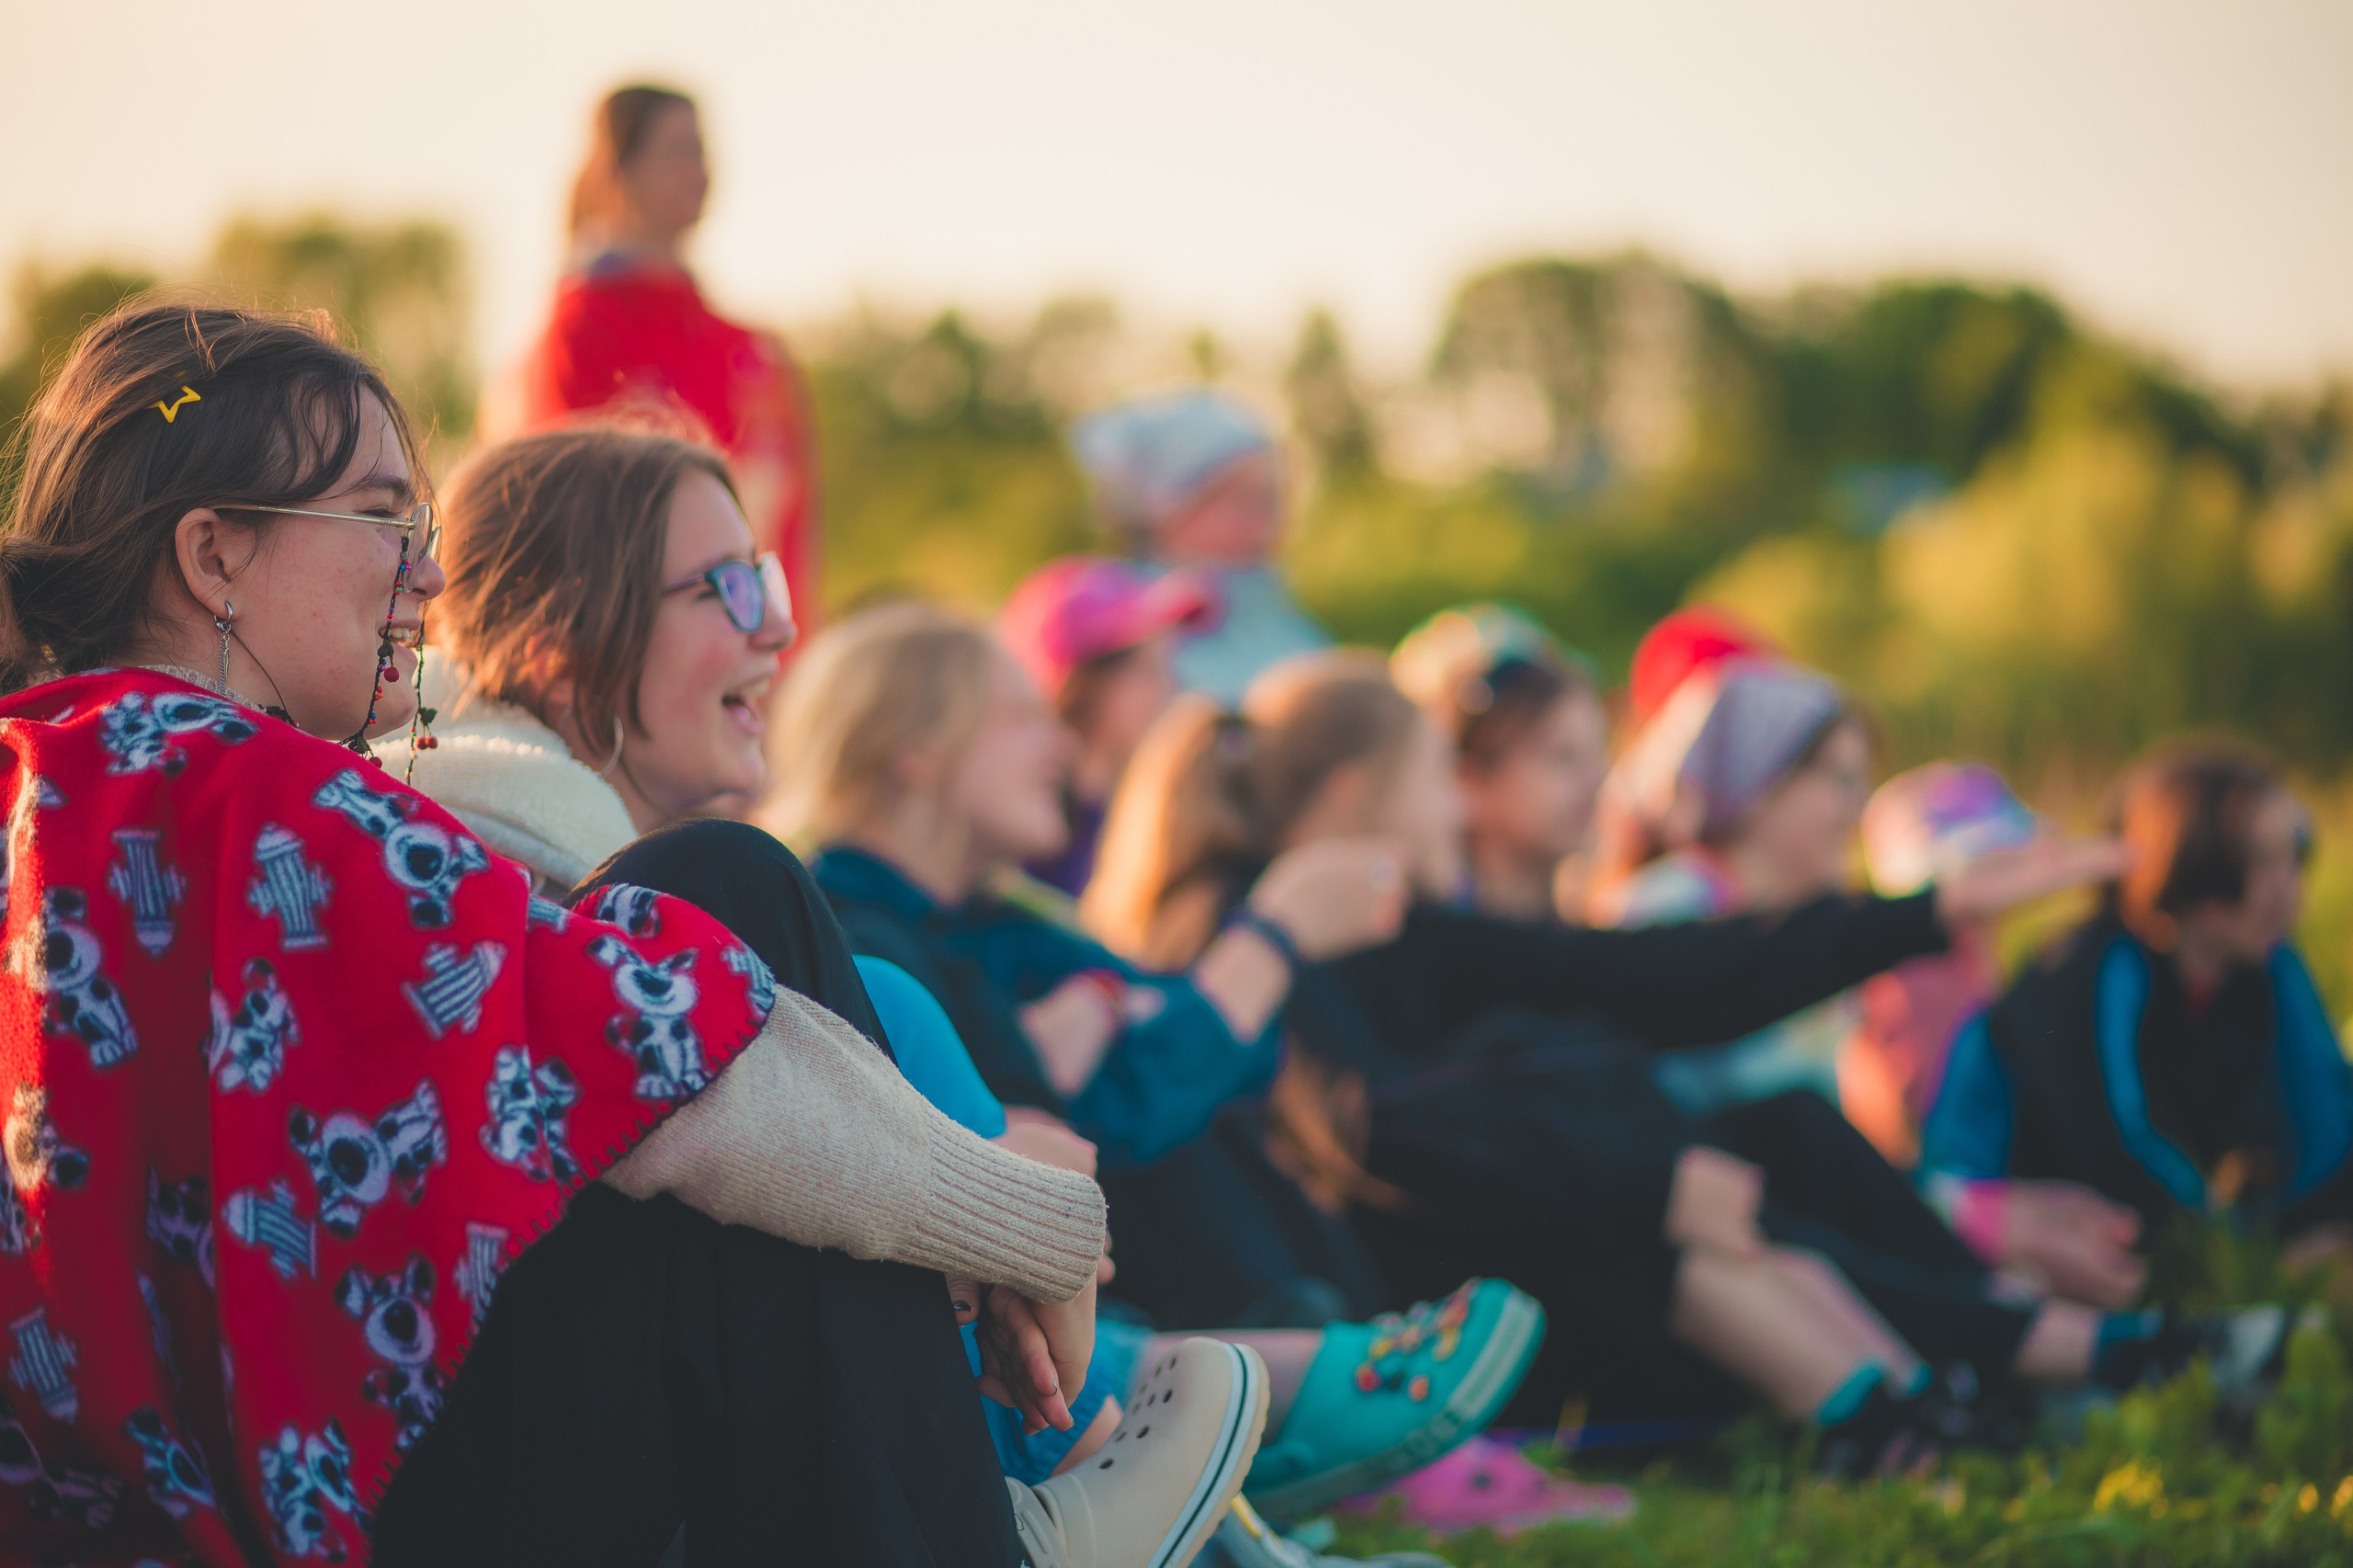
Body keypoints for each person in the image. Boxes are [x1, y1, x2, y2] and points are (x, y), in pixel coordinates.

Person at [0, 301, 1276, 1568]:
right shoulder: (246, 791)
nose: (428, 573)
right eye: (385, 518)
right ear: (214, 555)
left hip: (161, 1502)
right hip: (335, 1514)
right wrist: (1025, 1219)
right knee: (726, 887)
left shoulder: (57, 775)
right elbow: (664, 1062)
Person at [380, 424, 1479, 1556]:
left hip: (697, 1430)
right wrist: (1010, 1194)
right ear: (566, 636)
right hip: (523, 1478)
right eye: (723, 587)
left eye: (764, 577)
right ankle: (1116, 1482)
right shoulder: (477, 881)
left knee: (831, 977)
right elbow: (1126, 1113)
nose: (777, 620)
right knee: (804, 946)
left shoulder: (989, 916)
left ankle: (1167, 1495)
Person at [1082, 653, 2288, 1468]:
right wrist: (1646, 1180)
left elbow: (1654, 978)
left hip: (1503, 1252)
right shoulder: (1261, 935)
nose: (1447, 811)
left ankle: (1995, 1379)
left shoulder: (1380, 920)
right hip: (1408, 1311)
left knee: (1769, 1142)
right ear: (1356, 794)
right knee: (1666, 1214)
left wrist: (1921, 912)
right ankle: (1971, 1401)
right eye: (1428, 783)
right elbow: (1374, 1133)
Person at [761, 604, 1598, 1528]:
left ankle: (1290, 1399)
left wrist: (1109, 1014)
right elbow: (1086, 1128)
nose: (1056, 739)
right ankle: (1294, 1390)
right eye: (1018, 715)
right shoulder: (845, 927)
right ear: (911, 748)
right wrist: (1273, 932)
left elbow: (1215, 1065)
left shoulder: (1002, 920)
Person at [1921, 744, 2353, 1280]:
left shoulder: (2264, 962)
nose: (2287, 888)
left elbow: (2323, 1107)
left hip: (2136, 1223)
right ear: (2195, 869)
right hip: (2001, 1210)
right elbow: (2114, 1146)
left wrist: (2319, 1220)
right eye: (2260, 863)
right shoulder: (2083, 974)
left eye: (2295, 856)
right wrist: (2236, 1246)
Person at [486, 83, 820, 627]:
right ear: (618, 172)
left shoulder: (752, 349)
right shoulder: (578, 332)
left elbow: (798, 524)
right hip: (639, 642)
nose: (703, 173)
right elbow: (570, 521)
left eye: (703, 152)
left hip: (763, 646)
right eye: (679, 152)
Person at [1590, 658, 1874, 1113]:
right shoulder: (1664, 912)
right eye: (1840, 778)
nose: (1858, 806)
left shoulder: (1805, 920)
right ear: (1759, 781)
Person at [1071, 392, 1326, 707]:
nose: (1266, 526)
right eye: (1242, 502)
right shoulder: (1111, 626)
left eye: (1273, 502)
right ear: (1169, 508)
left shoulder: (1281, 620)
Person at [997, 555, 1220, 898]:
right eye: (1145, 668)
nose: (1169, 686)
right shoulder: (1030, 839)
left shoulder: (1140, 807)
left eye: (1166, 663)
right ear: (1083, 684)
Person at [1389, 604, 1608, 922]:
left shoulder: (1587, 926)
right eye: (1563, 756)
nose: (1595, 779)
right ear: (1467, 779)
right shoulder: (1420, 939)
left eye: (1597, 753)